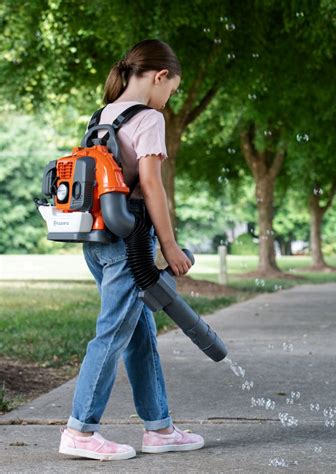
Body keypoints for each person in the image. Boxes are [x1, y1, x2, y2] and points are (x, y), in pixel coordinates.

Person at [59, 39, 204, 461]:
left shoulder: (100, 116)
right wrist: (171, 247)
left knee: (138, 334)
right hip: (130, 243)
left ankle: (159, 428)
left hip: (98, 240)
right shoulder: (149, 118)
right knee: (112, 335)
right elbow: (152, 185)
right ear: (160, 77)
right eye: (172, 90)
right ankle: (80, 431)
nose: (169, 99)